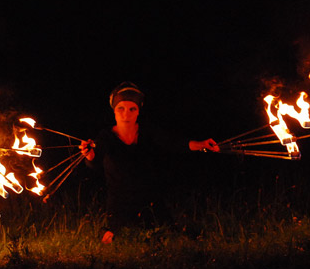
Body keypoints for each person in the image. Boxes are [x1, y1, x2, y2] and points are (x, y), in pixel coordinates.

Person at [79, 82, 219, 243]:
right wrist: (89, 155)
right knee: (118, 237)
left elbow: (173, 142)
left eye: (132, 109)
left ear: (138, 111)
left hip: (150, 199)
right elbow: (95, 161)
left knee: (168, 235)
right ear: (114, 111)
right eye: (121, 108)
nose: (126, 114)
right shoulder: (105, 136)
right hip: (120, 202)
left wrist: (201, 144)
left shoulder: (147, 132)